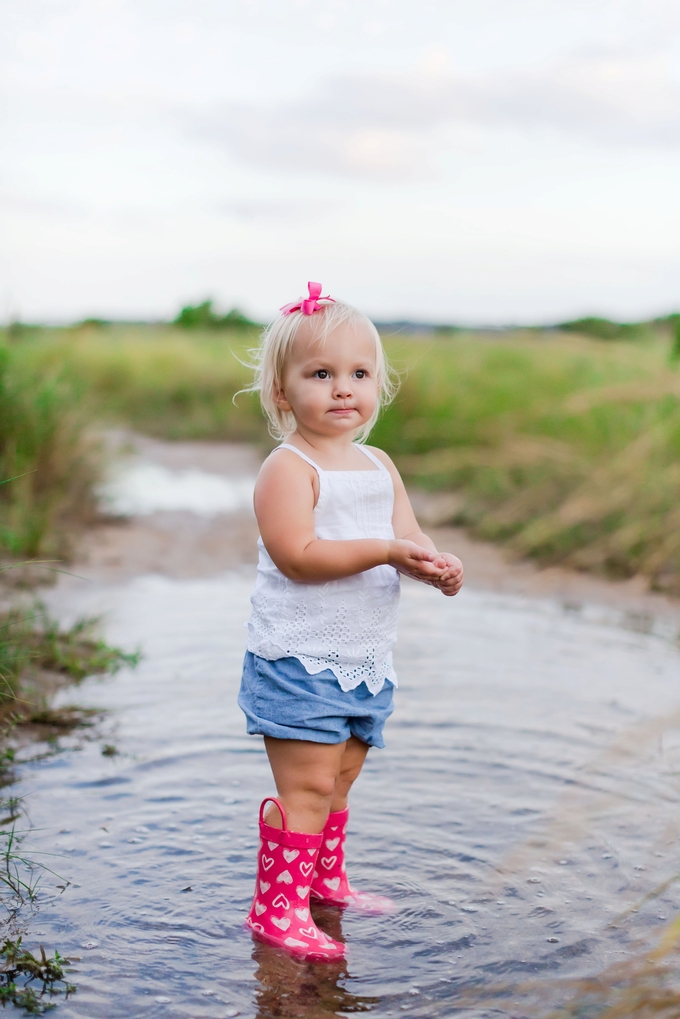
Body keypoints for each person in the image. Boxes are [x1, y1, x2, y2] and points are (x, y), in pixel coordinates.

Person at [239, 282, 464, 961]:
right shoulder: (289, 468)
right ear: (283, 394)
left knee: (340, 779)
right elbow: (300, 556)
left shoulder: (378, 463)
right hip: (298, 657)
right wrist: (389, 551)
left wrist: (431, 563)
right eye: (321, 374)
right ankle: (276, 907)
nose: (343, 389)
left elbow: (407, 537)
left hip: (364, 659)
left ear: (378, 384)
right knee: (306, 784)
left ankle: (324, 881)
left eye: (359, 374)